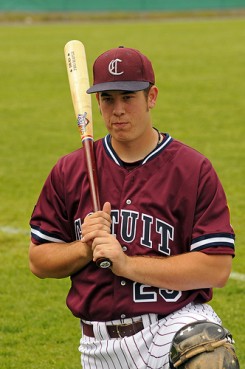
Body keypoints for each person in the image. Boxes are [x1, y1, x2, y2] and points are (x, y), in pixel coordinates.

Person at [29, 46, 240, 369]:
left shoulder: (191, 169)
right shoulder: (70, 171)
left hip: (172, 324)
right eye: (108, 99)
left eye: (128, 97)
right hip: (98, 345)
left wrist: (125, 264)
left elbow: (216, 269)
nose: (118, 111)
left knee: (208, 351)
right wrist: (84, 249)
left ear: (151, 97)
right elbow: (40, 260)